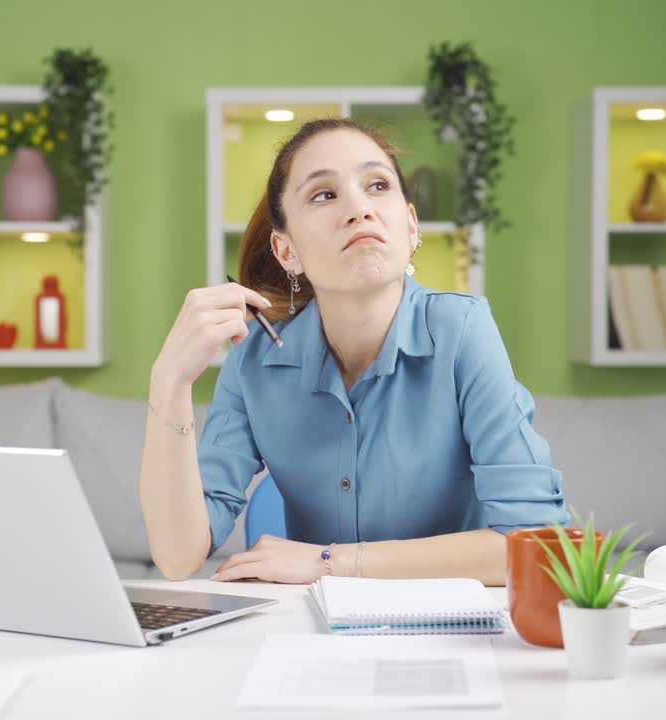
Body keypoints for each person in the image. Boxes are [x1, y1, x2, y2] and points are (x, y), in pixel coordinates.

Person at [140, 118, 567, 586]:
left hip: (453, 633)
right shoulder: (255, 358)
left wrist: (328, 561)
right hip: (318, 637)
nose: (359, 208)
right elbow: (179, 557)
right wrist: (169, 381)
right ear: (287, 252)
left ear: (409, 225)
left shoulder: (461, 329)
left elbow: (538, 544)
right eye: (324, 194)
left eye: (377, 185)